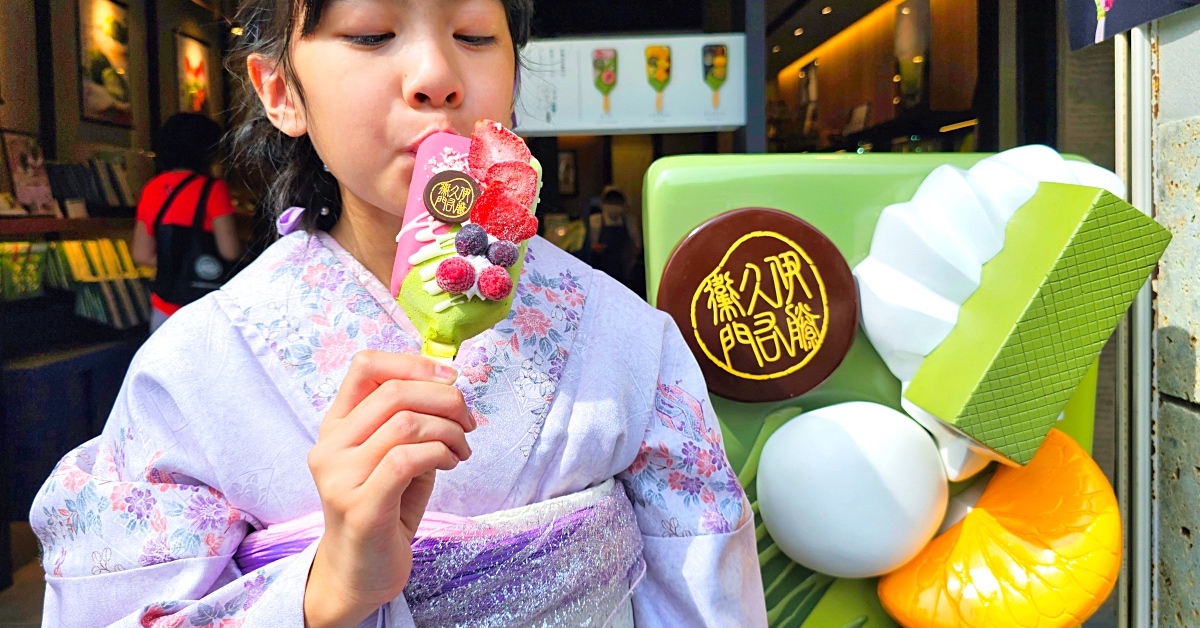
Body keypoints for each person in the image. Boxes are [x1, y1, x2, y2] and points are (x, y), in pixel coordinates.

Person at [31, 0, 767, 626]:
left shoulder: (627, 335)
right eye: (371, 34)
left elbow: (706, 596)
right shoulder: (192, 369)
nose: (437, 78)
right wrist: (325, 592)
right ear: (280, 89)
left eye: (474, 35)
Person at [131, 113, 243, 331]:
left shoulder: (153, 188)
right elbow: (230, 251)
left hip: (164, 305)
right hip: (206, 306)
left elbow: (141, 254)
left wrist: (176, 261)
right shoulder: (213, 189)